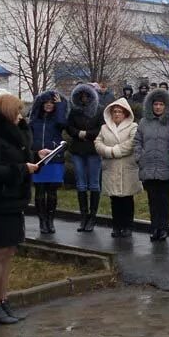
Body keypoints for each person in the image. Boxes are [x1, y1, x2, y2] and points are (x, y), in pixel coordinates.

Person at [0, 93, 39, 325]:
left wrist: (35, 157)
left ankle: (3, 300)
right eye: (18, 112)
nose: (21, 116)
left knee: (8, 252)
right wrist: (23, 169)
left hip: (12, 201)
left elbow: (14, 156)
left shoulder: (9, 133)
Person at [134, 87, 169, 243]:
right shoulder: (144, 122)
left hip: (165, 167)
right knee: (152, 200)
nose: (158, 107)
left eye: (161, 104)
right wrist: (140, 157)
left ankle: (164, 228)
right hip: (149, 167)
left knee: (164, 200)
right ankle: (154, 228)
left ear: (166, 106)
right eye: (155, 104)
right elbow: (137, 141)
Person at [97, 97, 142, 239]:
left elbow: (131, 144)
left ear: (126, 113)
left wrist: (112, 151)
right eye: (115, 111)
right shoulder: (104, 128)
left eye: (120, 112)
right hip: (111, 168)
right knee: (115, 199)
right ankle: (116, 226)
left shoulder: (133, 127)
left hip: (127, 168)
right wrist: (106, 151)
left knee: (127, 199)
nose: (117, 114)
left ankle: (128, 226)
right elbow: (98, 143)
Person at [65, 83, 104, 233]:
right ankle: (84, 216)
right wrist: (78, 133)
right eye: (82, 96)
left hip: (93, 150)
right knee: (81, 184)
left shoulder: (99, 111)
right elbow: (69, 127)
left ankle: (92, 217)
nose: (84, 99)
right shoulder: (74, 111)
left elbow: (101, 128)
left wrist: (86, 134)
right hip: (78, 150)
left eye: (87, 96)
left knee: (94, 184)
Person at [28, 90, 66, 235]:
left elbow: (63, 123)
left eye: (52, 103)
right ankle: (42, 221)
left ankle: (50, 220)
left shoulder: (56, 120)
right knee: (39, 191)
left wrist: (60, 105)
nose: (49, 105)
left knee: (52, 191)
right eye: (47, 102)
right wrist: (37, 151)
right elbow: (29, 140)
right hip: (39, 159)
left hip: (54, 159)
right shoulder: (34, 120)